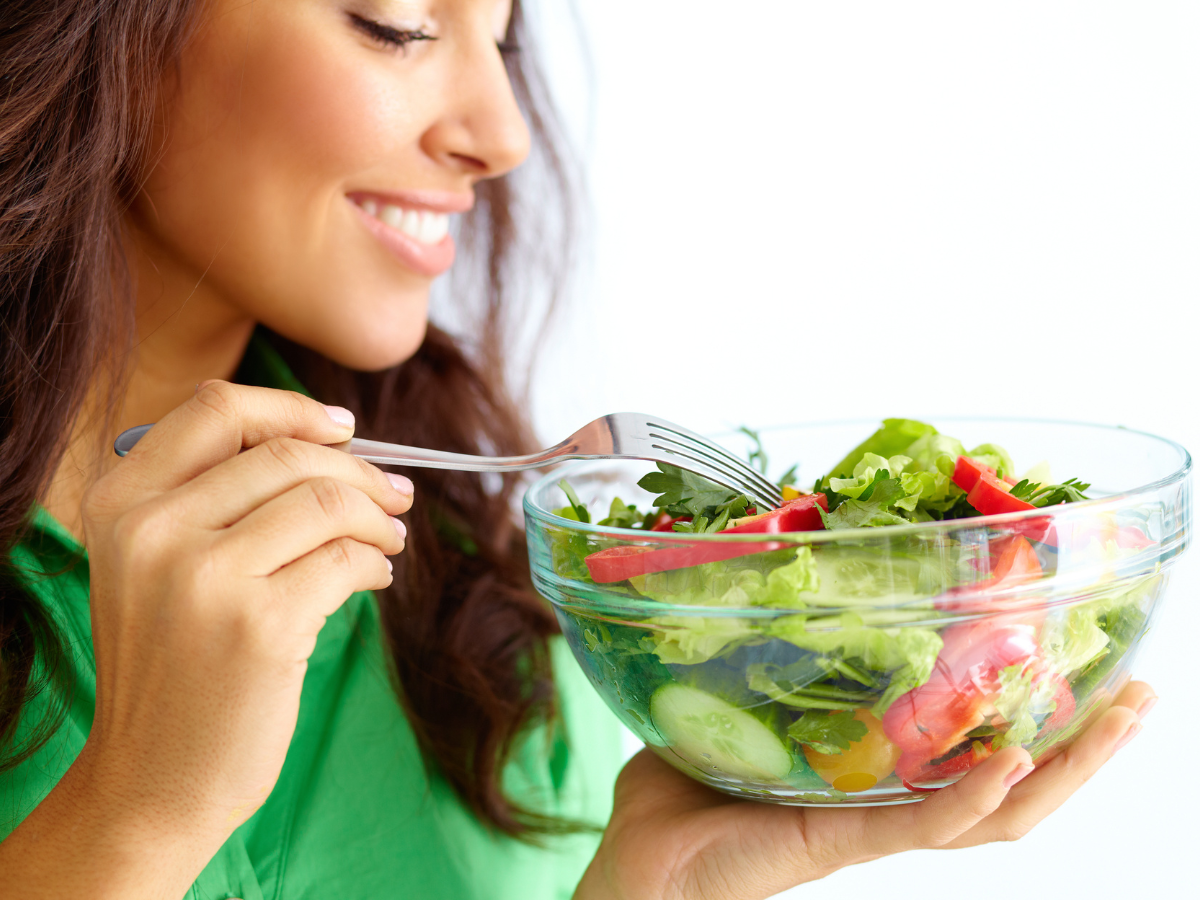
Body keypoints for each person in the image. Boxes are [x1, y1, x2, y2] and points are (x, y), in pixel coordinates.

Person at [0, 1, 1154, 897]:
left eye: (502, 41)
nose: (501, 135)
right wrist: (132, 820)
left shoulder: (477, 597)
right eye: (398, 26)